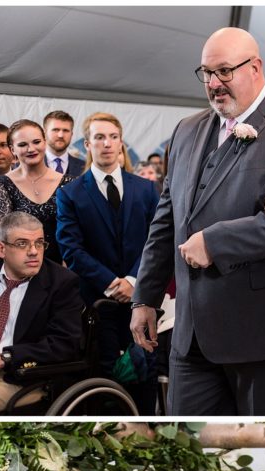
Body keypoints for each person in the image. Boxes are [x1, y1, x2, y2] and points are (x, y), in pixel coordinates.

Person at [130, 27, 265, 416]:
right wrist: (145, 297)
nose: (214, 84)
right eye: (206, 73)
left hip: (260, 333)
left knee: (259, 447)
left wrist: (216, 242)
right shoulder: (186, 130)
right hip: (189, 334)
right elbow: (166, 221)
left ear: (255, 67)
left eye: (224, 71)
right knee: (187, 448)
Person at [56, 112, 160, 414]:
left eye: (113, 137)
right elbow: (71, 248)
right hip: (97, 304)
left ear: (121, 143)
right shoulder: (70, 193)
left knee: (145, 372)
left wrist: (133, 280)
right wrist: (111, 283)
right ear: (87, 144)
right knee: (105, 376)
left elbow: (157, 241)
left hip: (143, 299)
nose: (107, 144)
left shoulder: (146, 189)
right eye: (99, 137)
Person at [0, 212, 83, 412]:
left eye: (39, 243)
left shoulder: (62, 283)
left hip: (22, 377)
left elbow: (64, 345)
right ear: (1, 249)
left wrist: (5, 357)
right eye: (22, 244)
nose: (34, 251)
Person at [0, 119, 73, 264]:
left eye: (36, 142)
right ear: (12, 149)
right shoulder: (2, 185)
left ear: (45, 142)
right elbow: (3, 237)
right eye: (22, 145)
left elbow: (78, 235)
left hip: (63, 271)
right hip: (19, 271)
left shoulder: (69, 183)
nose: (31, 149)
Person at [44, 110, 85, 176]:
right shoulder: (29, 166)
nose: (61, 135)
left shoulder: (85, 168)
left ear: (71, 134)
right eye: (56, 130)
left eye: (66, 130)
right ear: (44, 133)